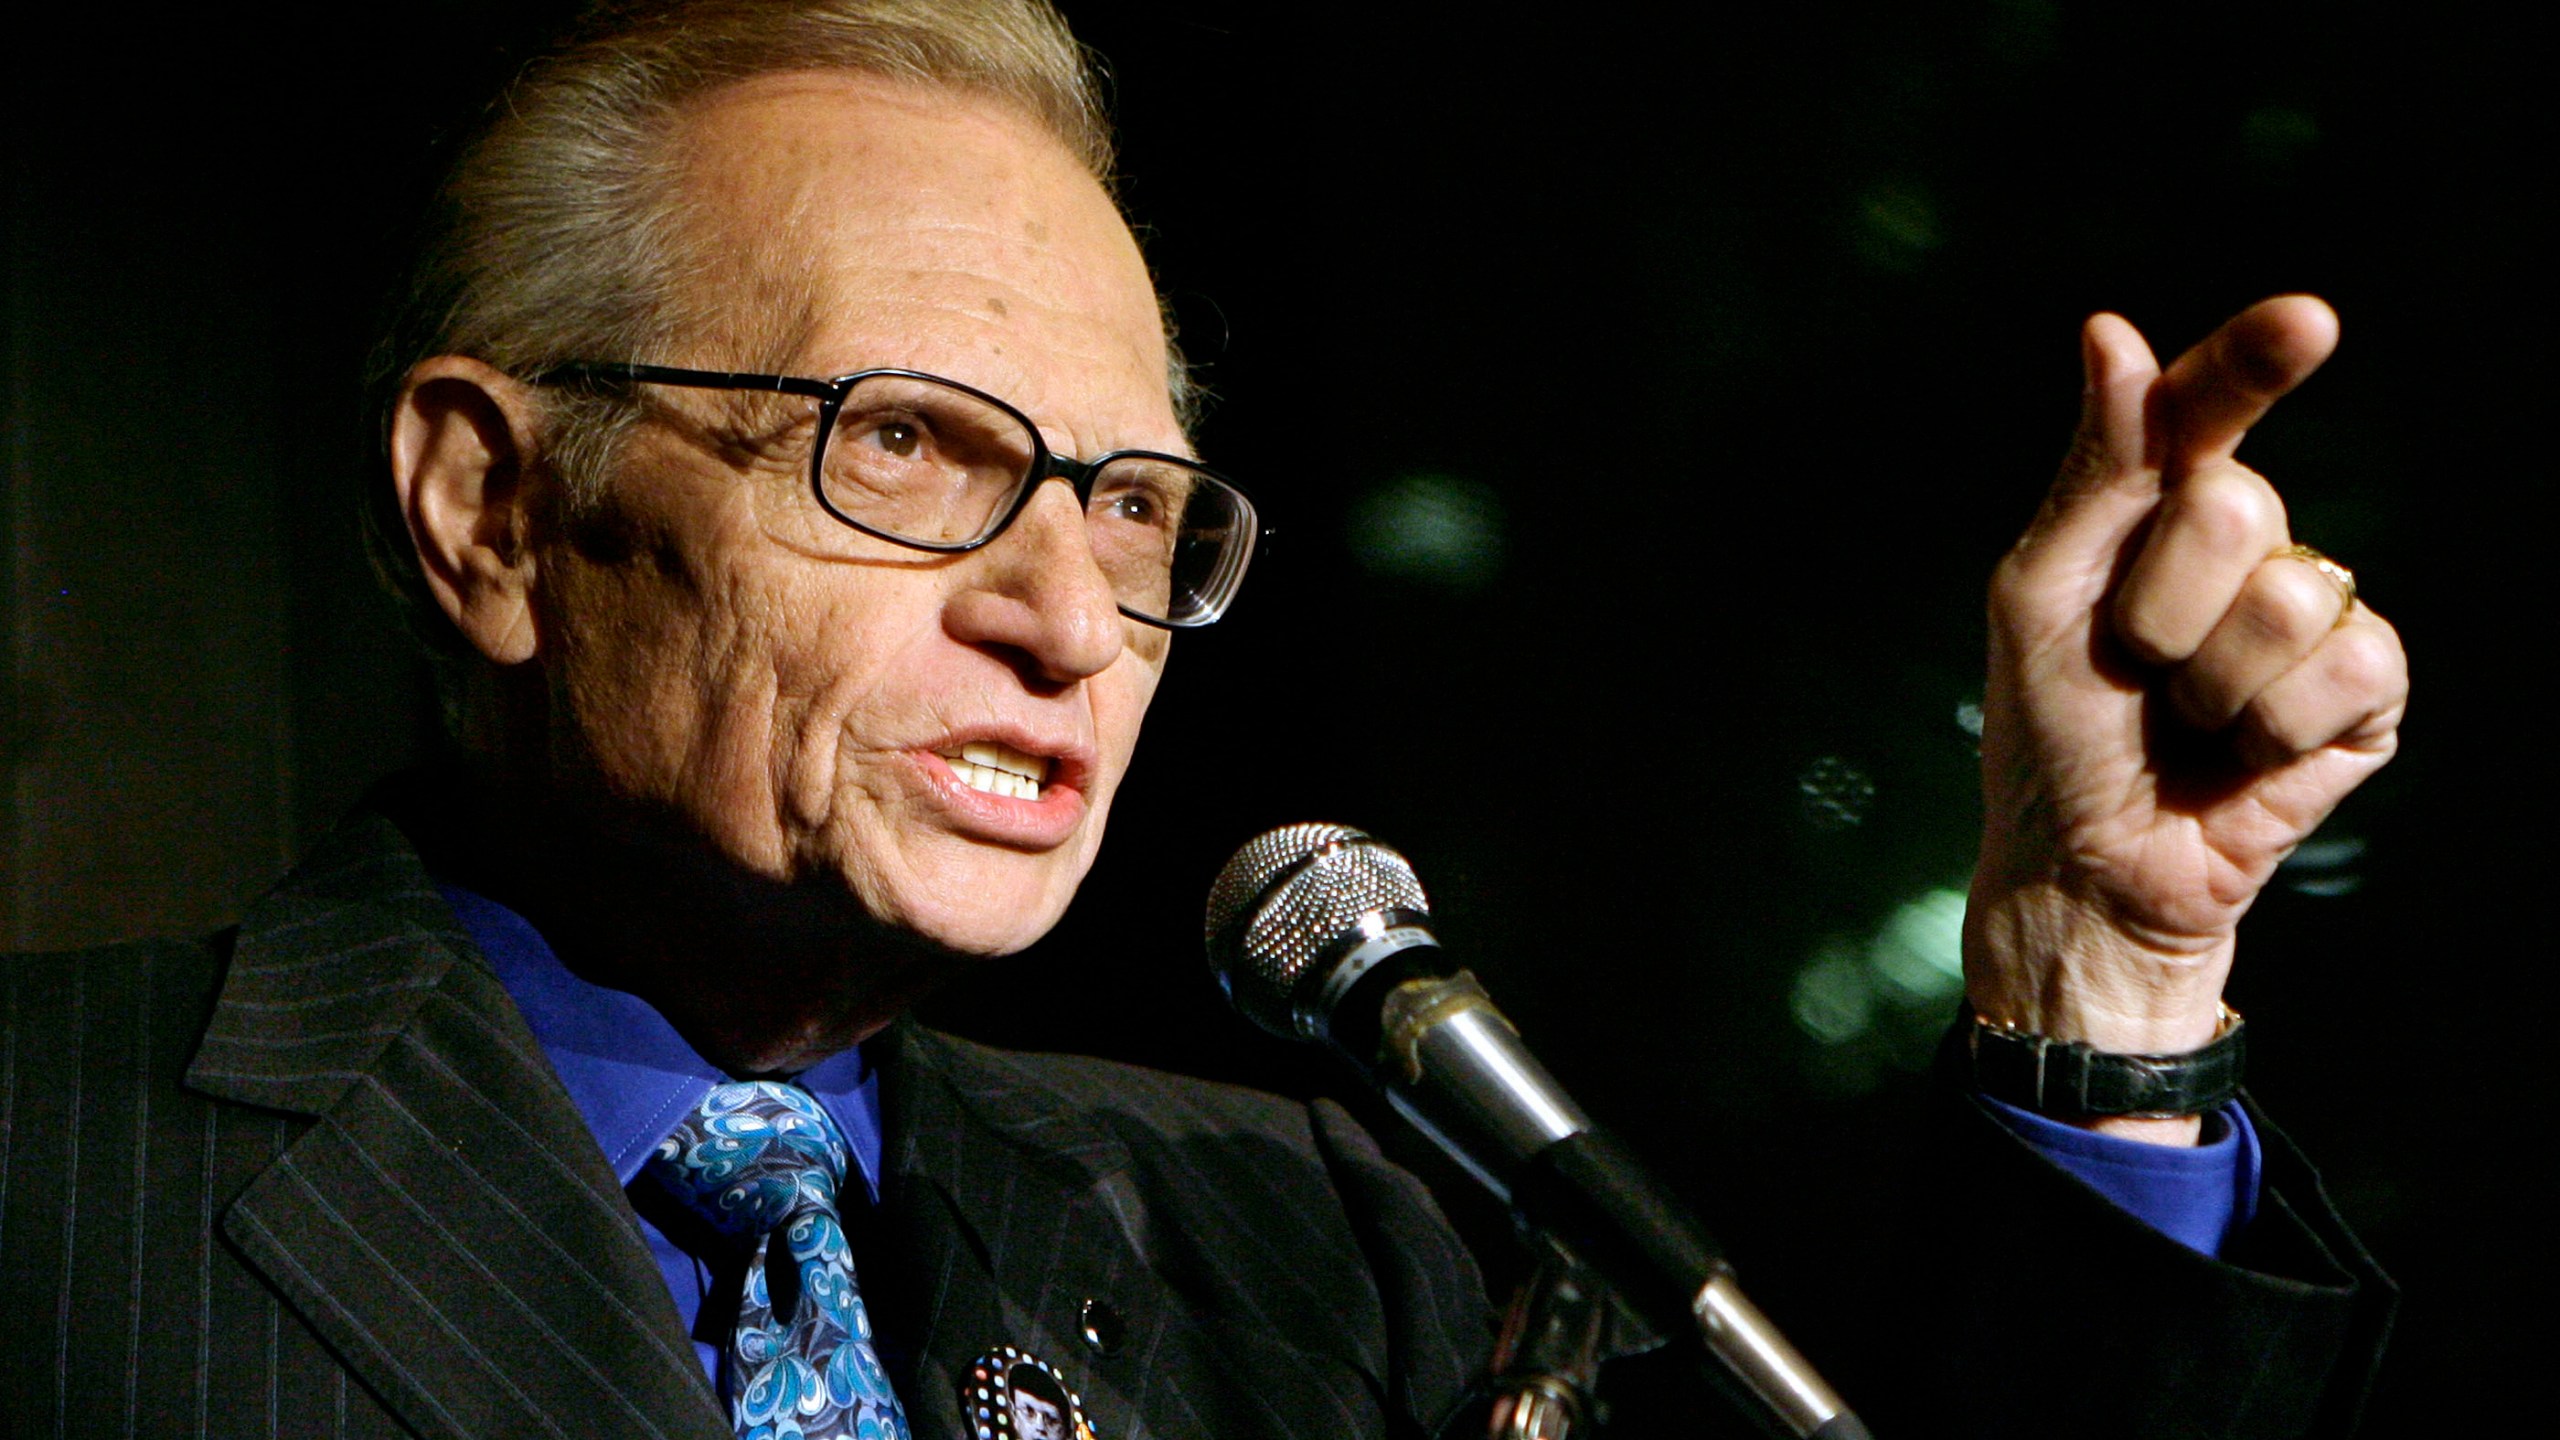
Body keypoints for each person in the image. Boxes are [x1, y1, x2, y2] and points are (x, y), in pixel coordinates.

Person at [0, 2, 2406, 1436]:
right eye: (911, 447)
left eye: (1137, 505)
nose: (1069, 617)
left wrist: (2103, 961)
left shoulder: (1327, 1245)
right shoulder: (45, 1181)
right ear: (489, 513)